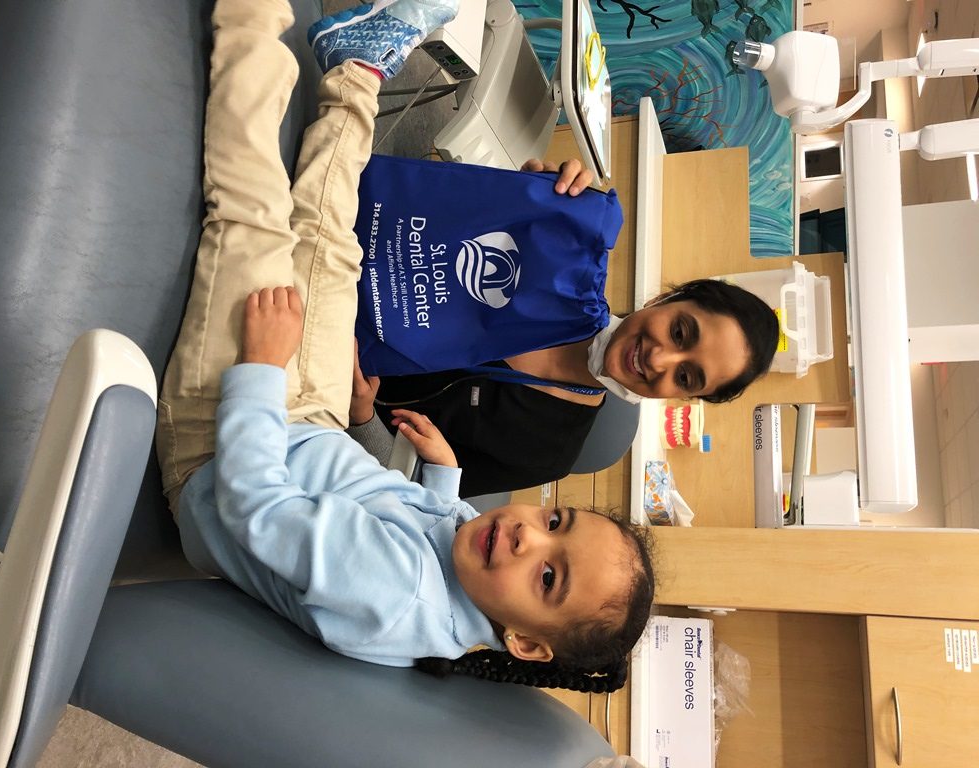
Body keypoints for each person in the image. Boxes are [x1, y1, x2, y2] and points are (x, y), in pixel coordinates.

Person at [155, 0, 654, 692]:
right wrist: (443, 478)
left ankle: (249, 19)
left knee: (255, 219)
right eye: (555, 520)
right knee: (335, 246)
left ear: (526, 645)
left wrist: (264, 370)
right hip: (313, 427)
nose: (523, 534)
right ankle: (356, 66)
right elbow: (431, 524)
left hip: (220, 452)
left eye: (547, 575)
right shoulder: (468, 575)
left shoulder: (400, 597)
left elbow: (254, 511)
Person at [353, 278, 781, 497]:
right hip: (343, 289)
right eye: (681, 332)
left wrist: (362, 416)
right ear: (666, 301)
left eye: (685, 377)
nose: (658, 360)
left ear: (679, 398)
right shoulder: (559, 281)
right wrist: (528, 195)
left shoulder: (547, 453)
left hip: (325, 413)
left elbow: (409, 500)